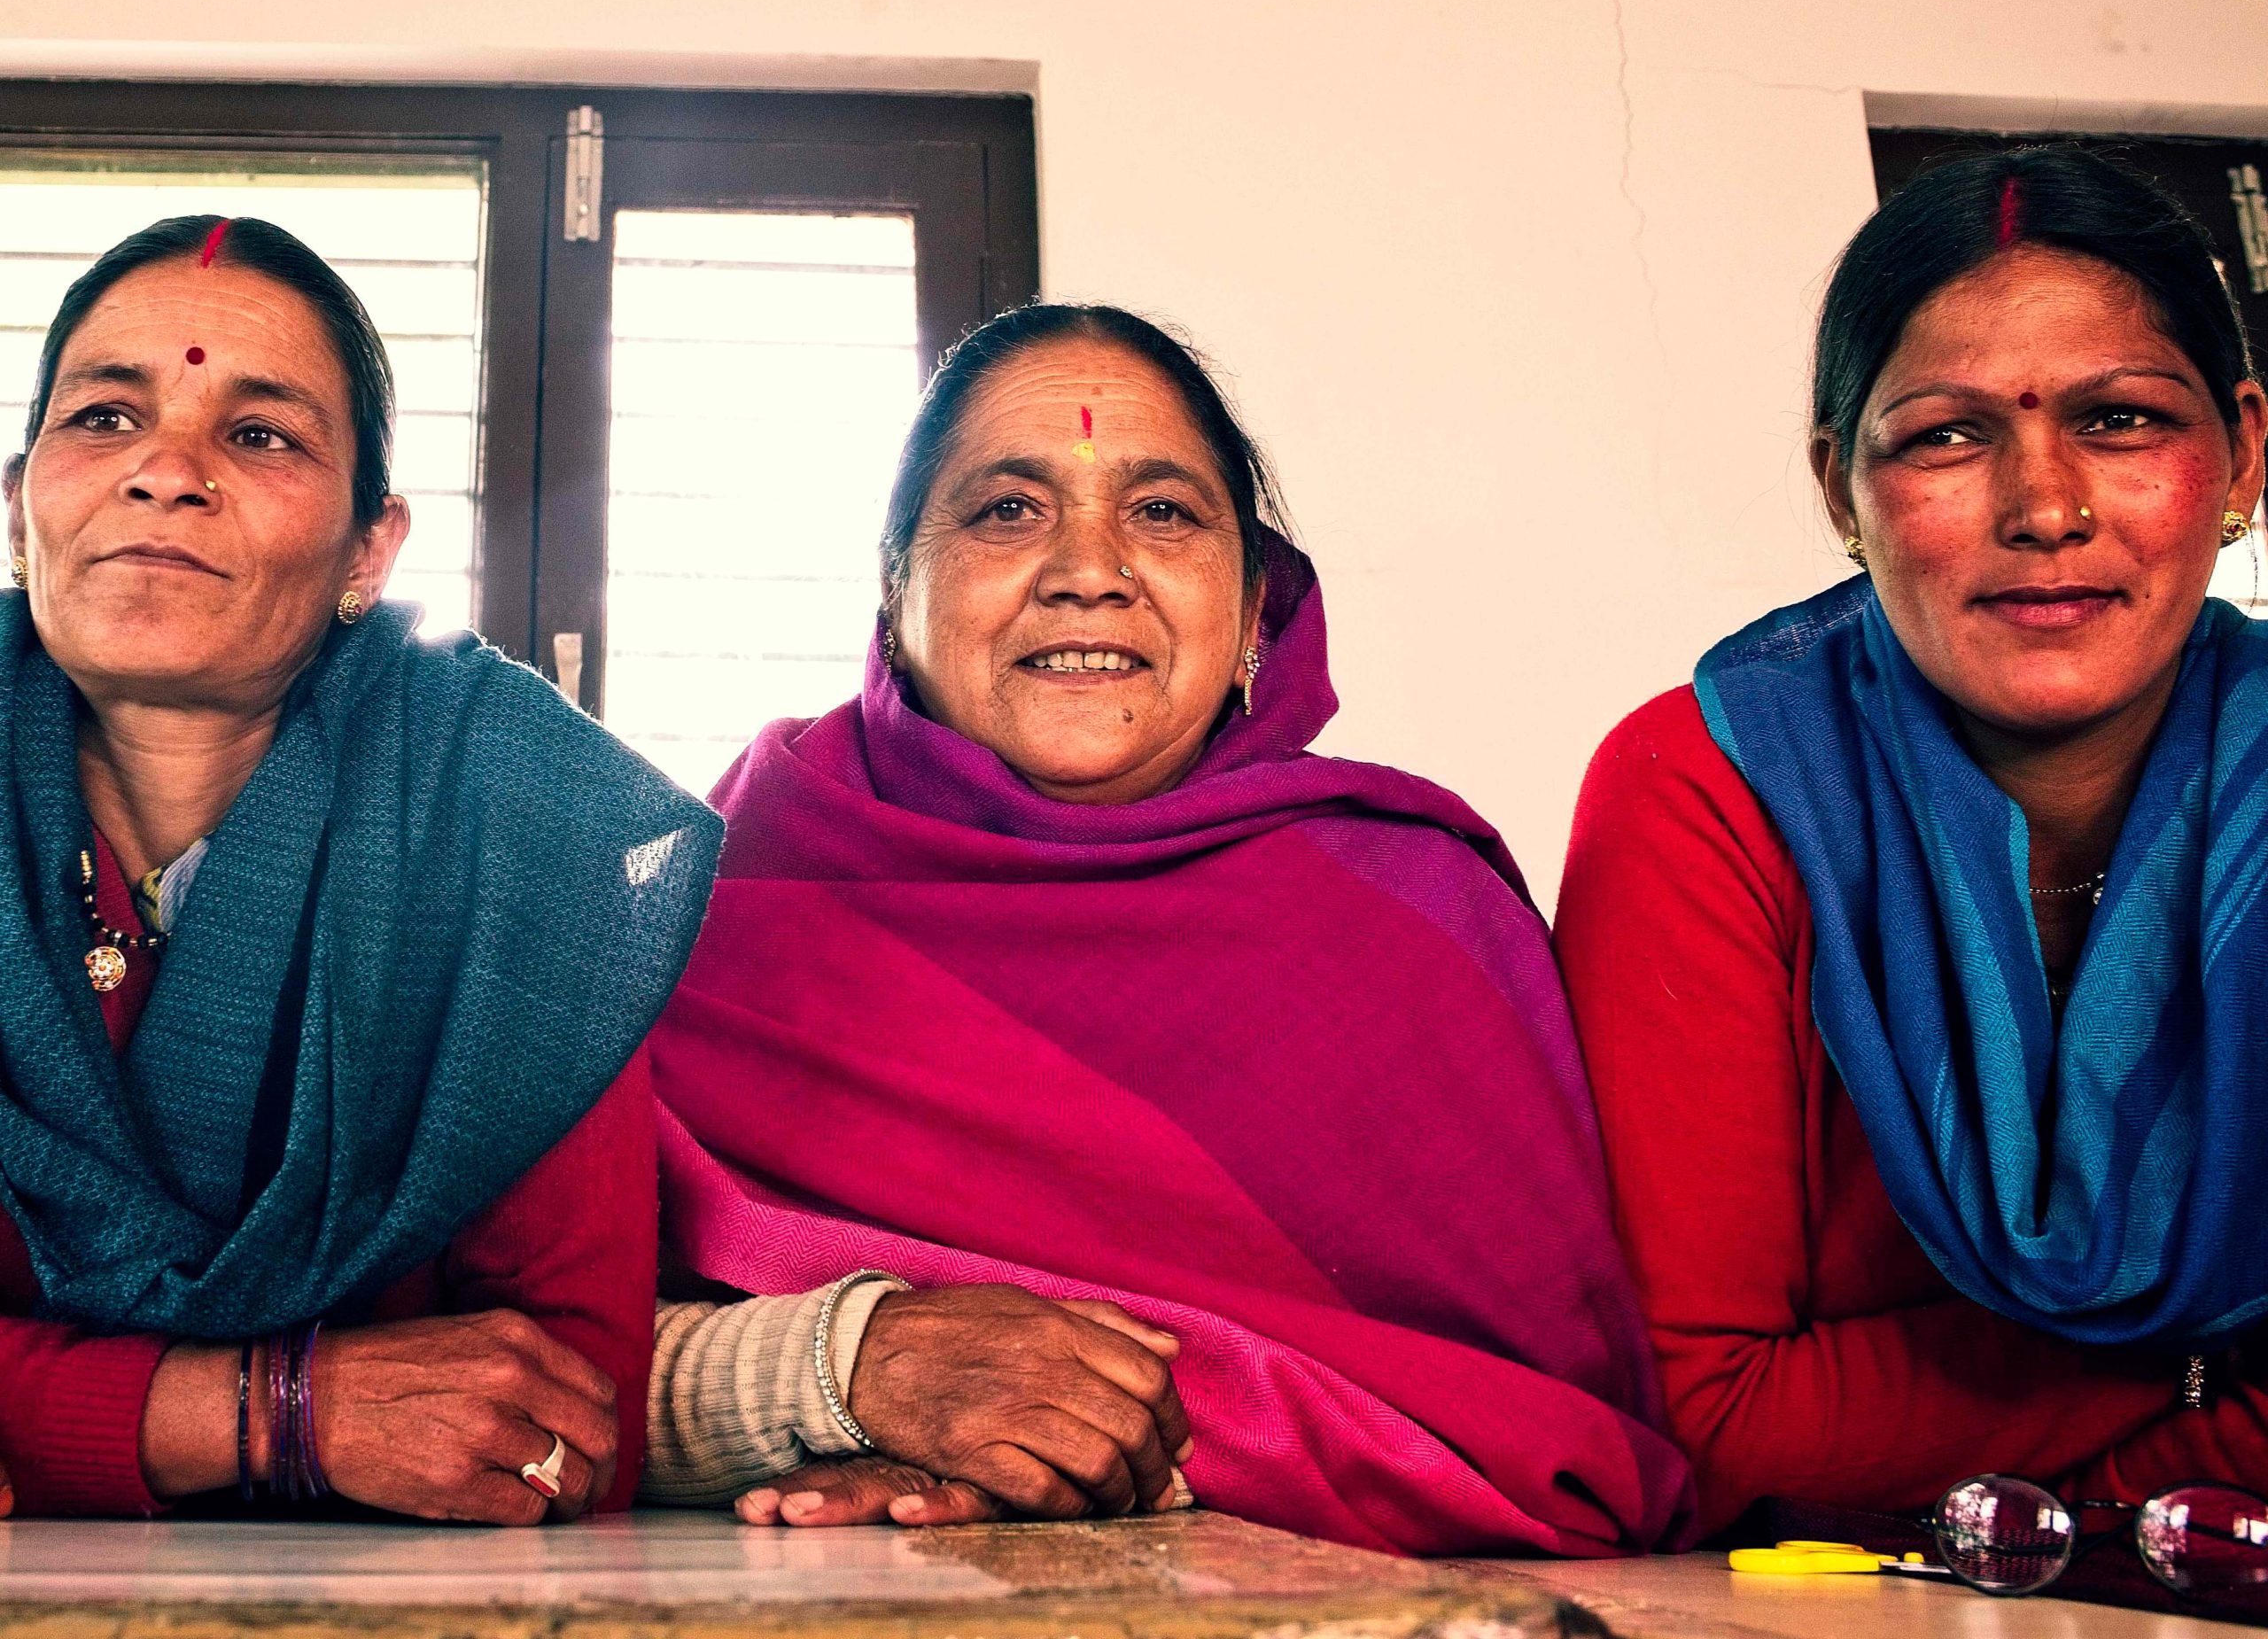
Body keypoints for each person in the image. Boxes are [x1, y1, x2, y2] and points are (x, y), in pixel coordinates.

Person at [639, 303, 1694, 1557]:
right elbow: (520, 1346)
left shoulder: (1412, 916)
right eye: (1007, 510)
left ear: (1254, 607)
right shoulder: (723, 896)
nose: (1091, 569)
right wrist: (839, 1370)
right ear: (893, 587)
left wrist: (1116, 1441)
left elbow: (1562, 1434)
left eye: (1164, 513)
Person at [1557, 144, 2268, 1540]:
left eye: (2122, 420)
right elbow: (1705, 1413)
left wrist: (1990, 1471)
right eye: (1946, 435)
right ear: (1841, 491)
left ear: (2243, 448)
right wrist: (2205, 1391)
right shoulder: (1709, 787)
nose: (2046, 507)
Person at [0, 215, 720, 1521]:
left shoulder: (514, 830)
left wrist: (44, 1410)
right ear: (18, 503)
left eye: (261, 434)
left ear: (369, 551)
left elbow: (562, 1417)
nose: (165, 472)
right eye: (105, 418)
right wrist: (272, 1411)